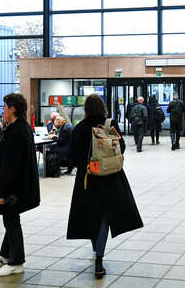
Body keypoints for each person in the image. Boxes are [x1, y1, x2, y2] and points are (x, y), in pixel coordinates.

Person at [67, 94, 143, 279]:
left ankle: (95, 246)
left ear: (86, 109)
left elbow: (71, 154)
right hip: (111, 178)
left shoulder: (81, 127)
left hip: (88, 179)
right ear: (102, 107)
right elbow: (122, 147)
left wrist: (85, 166)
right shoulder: (109, 124)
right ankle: (99, 259)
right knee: (104, 217)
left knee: (91, 213)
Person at [0, 93, 41, 277]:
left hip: (13, 188)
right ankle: (5, 253)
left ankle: (16, 262)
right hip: (18, 186)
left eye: (4, 108)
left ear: (12, 109)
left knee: (11, 221)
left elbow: (11, 166)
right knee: (9, 219)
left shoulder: (16, 131)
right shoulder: (20, 127)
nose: (3, 111)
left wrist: (2, 192)